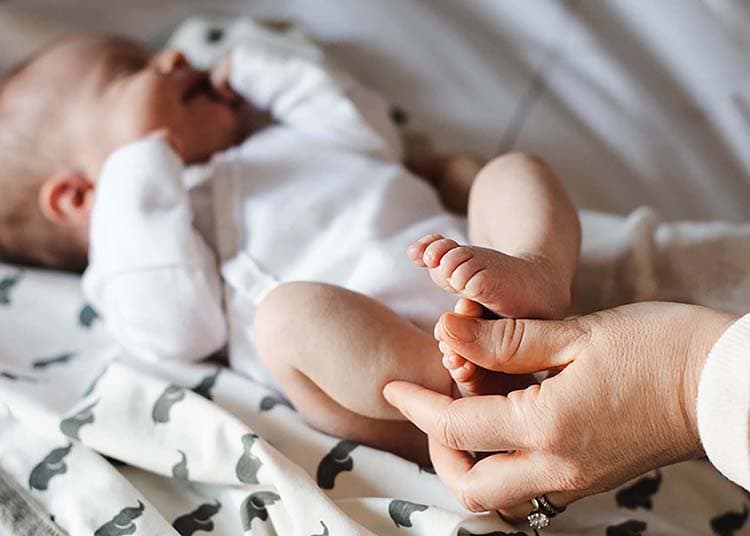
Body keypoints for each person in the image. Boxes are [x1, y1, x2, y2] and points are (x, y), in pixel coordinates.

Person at [0, 34, 581, 465]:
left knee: (508, 172)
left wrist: (255, 69)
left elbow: (370, 132)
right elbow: (181, 328)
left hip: (481, 279)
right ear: (77, 195)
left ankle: (537, 271)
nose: (173, 59)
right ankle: (456, 386)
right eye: (130, 74)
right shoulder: (128, 260)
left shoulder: (277, 136)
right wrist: (140, 164)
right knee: (286, 319)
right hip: (393, 378)